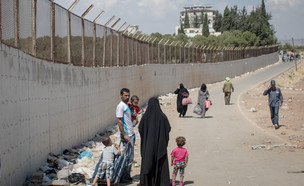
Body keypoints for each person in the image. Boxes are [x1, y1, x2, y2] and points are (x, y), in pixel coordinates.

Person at [138, 97, 171, 186]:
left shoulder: (145, 118)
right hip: (160, 147)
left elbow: (140, 129)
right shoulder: (162, 117)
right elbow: (168, 129)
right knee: (160, 163)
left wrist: (147, 138)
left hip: (148, 146)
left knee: (148, 160)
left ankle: (146, 182)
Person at [116, 88, 135, 181]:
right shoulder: (121, 106)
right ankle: (123, 176)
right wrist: (124, 135)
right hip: (128, 135)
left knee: (130, 156)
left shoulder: (126, 105)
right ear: (121, 95)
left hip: (131, 134)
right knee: (127, 157)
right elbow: (119, 121)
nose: (127, 97)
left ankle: (126, 175)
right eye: (125, 95)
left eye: (128, 95)